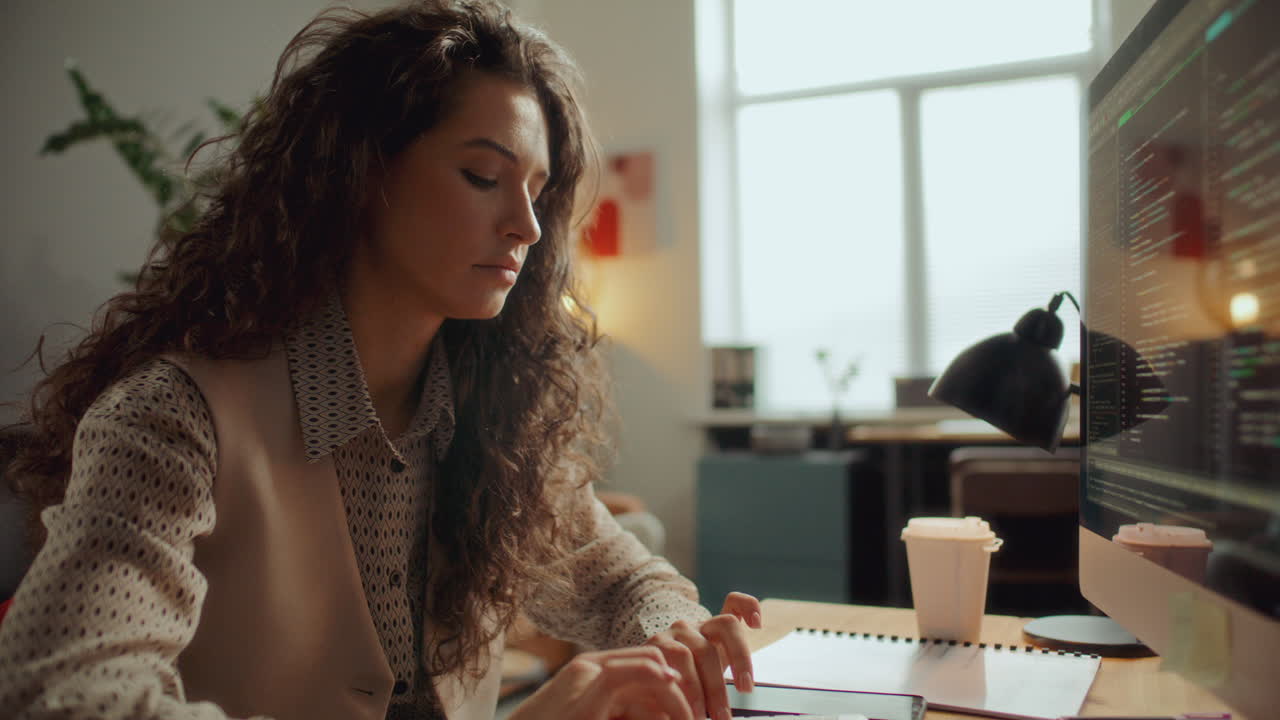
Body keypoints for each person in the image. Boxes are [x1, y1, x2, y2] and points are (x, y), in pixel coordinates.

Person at [0, 2, 762, 719]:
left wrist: (676, 636)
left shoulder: (495, 423)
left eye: (537, 190)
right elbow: (69, 694)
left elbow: (624, 578)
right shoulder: (172, 417)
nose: (527, 227)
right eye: (483, 177)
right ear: (360, 175)